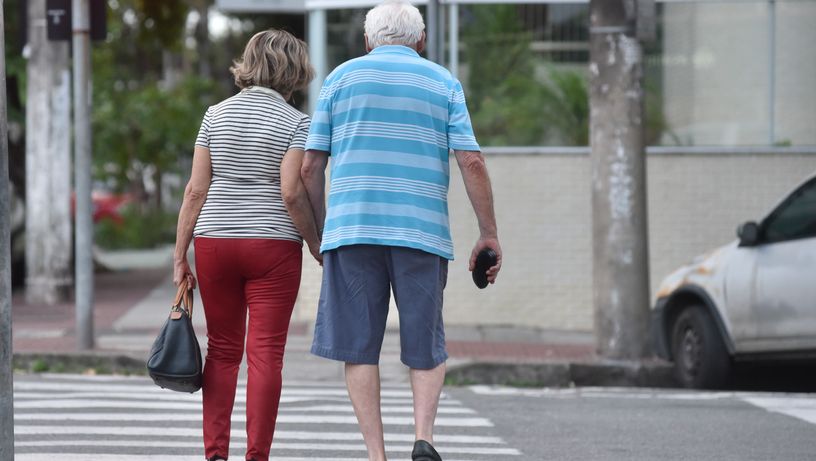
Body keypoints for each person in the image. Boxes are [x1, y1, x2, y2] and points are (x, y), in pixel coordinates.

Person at [301, 2, 502, 460]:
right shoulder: (443, 82)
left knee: (359, 348)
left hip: (352, 233)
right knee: (425, 342)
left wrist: (323, 233)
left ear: (368, 40)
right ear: (421, 40)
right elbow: (471, 160)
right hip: (422, 232)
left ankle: (377, 455)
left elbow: (311, 166)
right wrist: (488, 232)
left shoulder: (339, 79)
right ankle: (424, 438)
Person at [172, 29, 321, 461]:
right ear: (295, 71)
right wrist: (315, 242)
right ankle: (257, 456)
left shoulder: (215, 115)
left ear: (249, 62)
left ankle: (215, 454)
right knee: (266, 355)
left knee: (222, 351)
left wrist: (180, 255)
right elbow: (292, 192)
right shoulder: (296, 122)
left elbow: (196, 190)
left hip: (215, 241)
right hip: (272, 247)